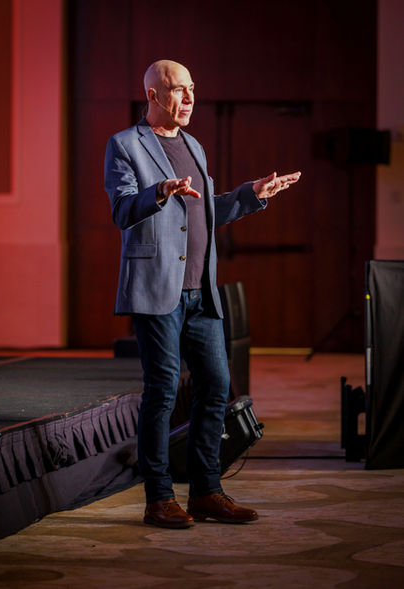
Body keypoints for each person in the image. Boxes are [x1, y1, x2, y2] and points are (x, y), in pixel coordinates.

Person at [104, 59, 301, 529]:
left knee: (215, 387)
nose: (190, 98)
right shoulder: (125, 144)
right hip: (157, 292)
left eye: (192, 88)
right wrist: (159, 191)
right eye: (179, 89)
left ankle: (206, 492)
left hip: (201, 293)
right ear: (153, 95)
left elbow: (206, 212)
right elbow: (122, 210)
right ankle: (158, 498)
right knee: (162, 392)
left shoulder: (194, 145)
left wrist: (253, 194)